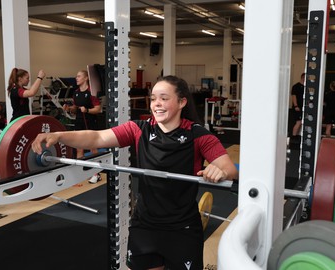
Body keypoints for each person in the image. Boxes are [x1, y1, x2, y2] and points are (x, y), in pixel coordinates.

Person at [32, 75, 238, 270]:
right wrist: (58, 135)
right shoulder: (138, 129)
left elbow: (230, 170)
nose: (156, 104)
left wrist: (218, 170)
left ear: (182, 102)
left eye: (164, 99)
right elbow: (96, 138)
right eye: (154, 99)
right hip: (145, 224)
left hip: (182, 228)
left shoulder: (198, 135)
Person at [62, 70, 102, 183]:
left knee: (92, 148)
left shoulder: (91, 92)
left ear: (85, 78)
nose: (76, 78)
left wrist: (87, 110)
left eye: (79, 76)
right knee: (79, 149)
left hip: (90, 122)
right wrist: (69, 109)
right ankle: (81, 173)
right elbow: (75, 108)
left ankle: (96, 173)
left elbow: (98, 109)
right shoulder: (76, 92)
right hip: (78, 122)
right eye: (76, 76)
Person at [291, 73, 306, 137]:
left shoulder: (306, 87)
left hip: (304, 107)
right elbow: (294, 96)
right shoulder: (296, 86)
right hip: (298, 107)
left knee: (302, 122)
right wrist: (296, 106)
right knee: (298, 122)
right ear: (303, 78)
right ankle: (293, 136)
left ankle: (298, 136)